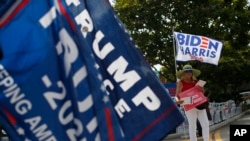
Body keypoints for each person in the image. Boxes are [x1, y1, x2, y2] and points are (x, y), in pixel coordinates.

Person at [175, 64, 209, 141]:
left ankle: (206, 139)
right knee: (193, 125)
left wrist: (202, 90)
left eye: (190, 71)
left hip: (200, 105)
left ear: (192, 73)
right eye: (186, 71)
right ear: (183, 73)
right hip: (189, 106)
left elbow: (202, 93)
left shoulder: (196, 82)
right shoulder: (181, 83)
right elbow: (177, 96)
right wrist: (178, 101)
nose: (188, 73)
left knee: (206, 123)